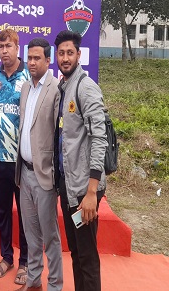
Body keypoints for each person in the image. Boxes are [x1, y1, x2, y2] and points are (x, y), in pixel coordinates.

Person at [54, 30, 107, 291]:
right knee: (75, 251)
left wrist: (91, 192)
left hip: (84, 189)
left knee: (87, 256)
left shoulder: (86, 87)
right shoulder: (64, 87)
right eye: (61, 53)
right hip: (69, 185)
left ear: (79, 55)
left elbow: (100, 138)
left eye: (70, 53)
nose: (65, 58)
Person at [15, 38, 63, 291]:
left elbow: (60, 136)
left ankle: (55, 285)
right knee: (31, 234)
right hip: (24, 173)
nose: (32, 63)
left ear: (48, 60)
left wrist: (55, 174)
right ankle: (34, 282)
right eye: (29, 58)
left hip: (45, 176)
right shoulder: (25, 88)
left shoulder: (55, 89)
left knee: (50, 236)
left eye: (37, 58)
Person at [0, 29, 30, 285]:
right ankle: (7, 257)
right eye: (1, 46)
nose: (4, 51)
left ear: (17, 47)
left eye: (9, 46)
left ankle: (25, 261)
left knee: (25, 212)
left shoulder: (28, 76)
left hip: (22, 160)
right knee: (2, 210)